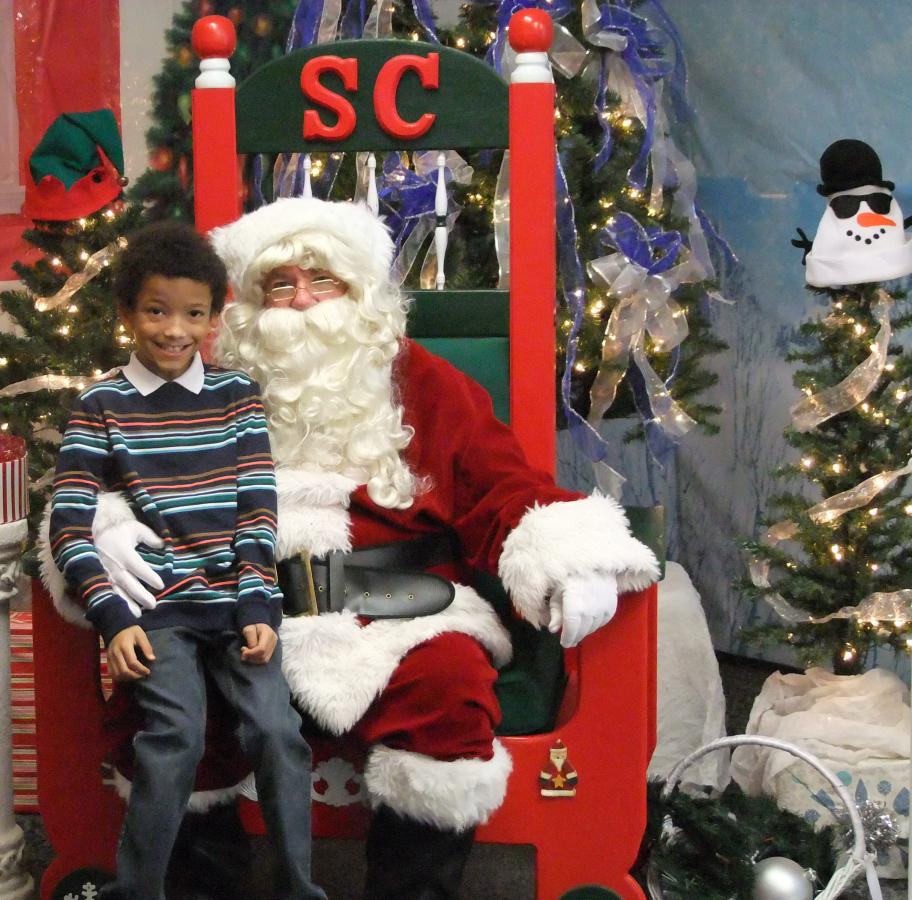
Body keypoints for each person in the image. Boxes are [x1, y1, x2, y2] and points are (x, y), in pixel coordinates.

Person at [69, 197, 661, 900]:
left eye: (323, 280)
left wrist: (570, 555)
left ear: (361, 293)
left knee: (447, 688)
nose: (302, 301)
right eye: (280, 285)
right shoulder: (202, 387)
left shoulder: (423, 382)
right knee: (173, 709)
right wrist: (107, 524)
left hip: (397, 607)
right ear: (249, 306)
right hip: (233, 604)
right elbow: (114, 469)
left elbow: (502, 485)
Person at [47, 220, 326, 900]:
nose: (175, 330)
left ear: (213, 317)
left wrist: (257, 600)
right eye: (157, 311)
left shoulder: (238, 398)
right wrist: (113, 618)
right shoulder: (101, 405)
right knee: (175, 734)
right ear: (126, 313)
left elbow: (257, 511)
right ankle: (137, 891)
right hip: (159, 610)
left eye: (193, 314)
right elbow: (68, 526)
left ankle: (300, 890)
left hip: (235, 603)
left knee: (277, 732)